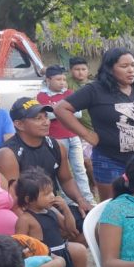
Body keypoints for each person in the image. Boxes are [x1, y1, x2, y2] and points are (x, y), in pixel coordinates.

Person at [54, 47, 134, 201]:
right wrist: (87, 134)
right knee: (113, 207)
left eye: (133, 65)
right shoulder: (95, 90)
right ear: (109, 69)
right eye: (124, 66)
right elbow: (61, 109)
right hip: (110, 161)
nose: (131, 70)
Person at [37, 65, 96, 206]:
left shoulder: (69, 93)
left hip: (73, 136)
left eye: (64, 79)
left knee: (79, 168)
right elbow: (45, 115)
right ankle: (70, 201)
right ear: (48, 80)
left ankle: (88, 199)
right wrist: (64, 111)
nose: (62, 82)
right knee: (62, 171)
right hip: (56, 139)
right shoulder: (41, 96)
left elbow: (78, 113)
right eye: (58, 79)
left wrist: (55, 110)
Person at [66, 57, 97, 199]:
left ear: (88, 71)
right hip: (79, 130)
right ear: (71, 71)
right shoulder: (67, 84)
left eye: (83, 69)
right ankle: (92, 185)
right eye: (77, 70)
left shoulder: (94, 85)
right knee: (86, 162)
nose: (80, 73)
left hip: (95, 127)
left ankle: (94, 184)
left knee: (92, 162)